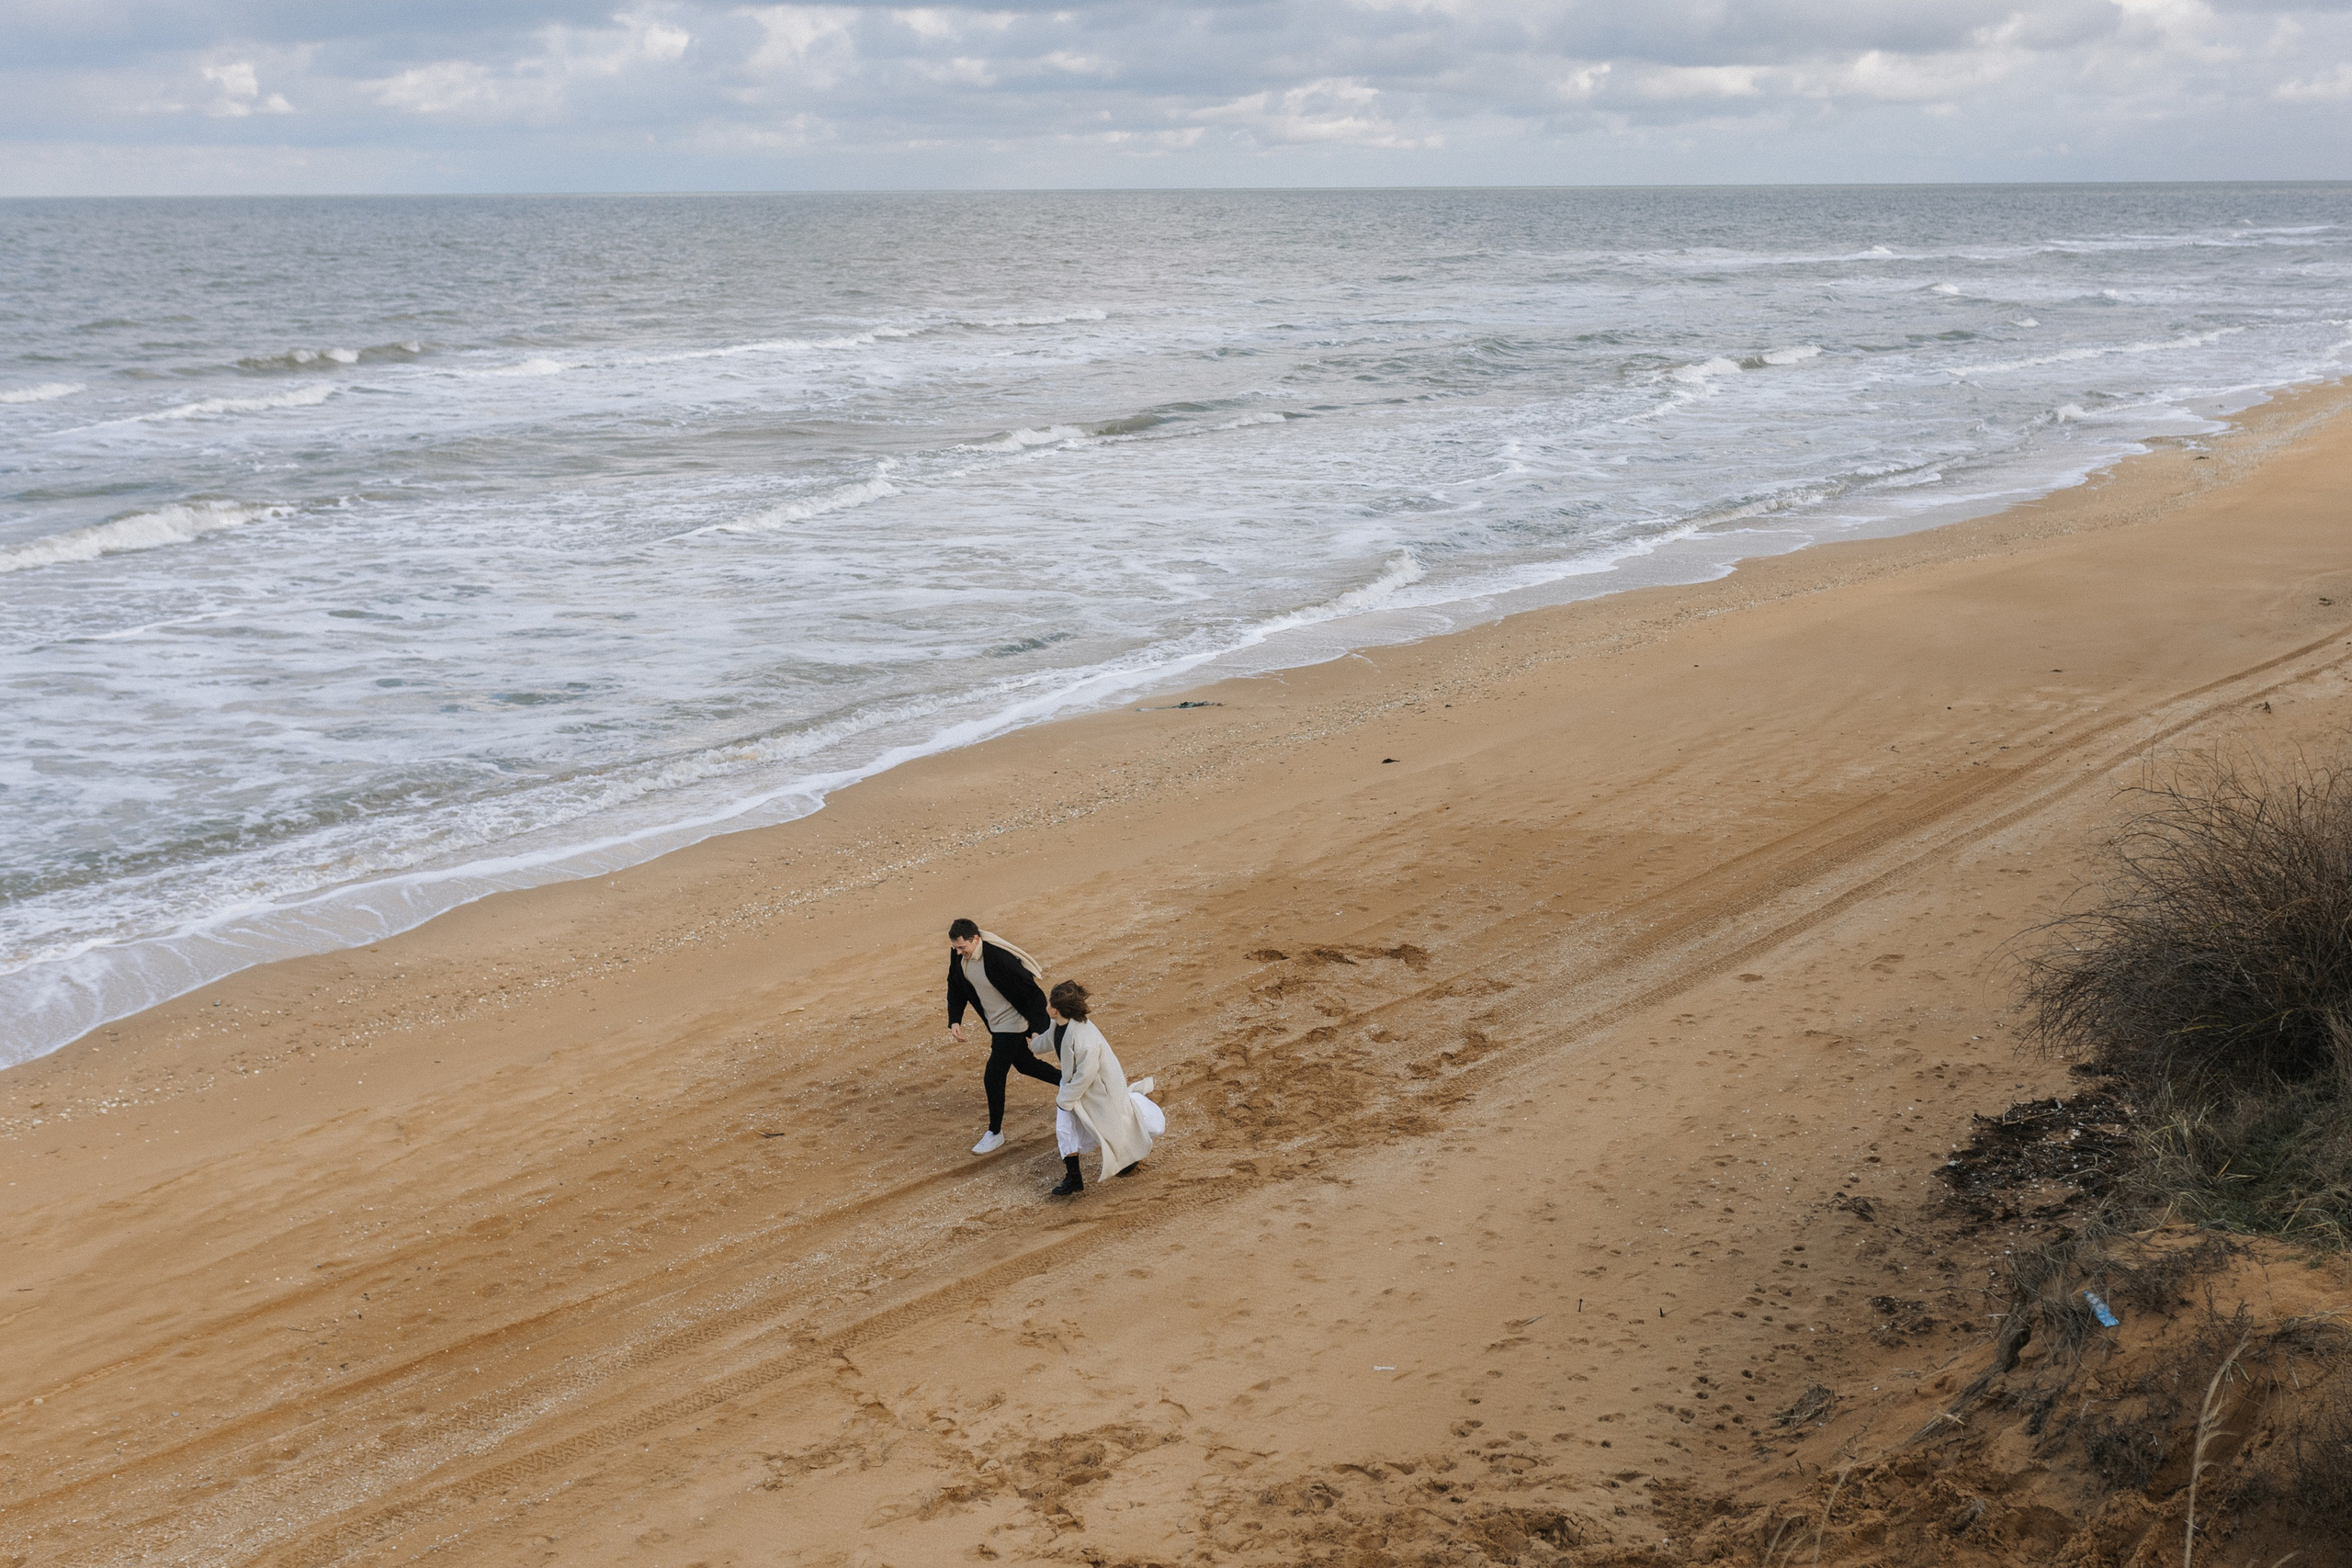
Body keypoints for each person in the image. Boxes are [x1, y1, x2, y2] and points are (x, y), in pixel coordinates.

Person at [946, 918, 1057, 1155]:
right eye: (955, 948)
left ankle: (995, 1133)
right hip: (995, 1023)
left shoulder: (999, 959)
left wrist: (1038, 1028)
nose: (959, 952)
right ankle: (1074, 1083)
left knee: (993, 1075)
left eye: (962, 947)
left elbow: (1033, 994)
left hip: (1012, 1022)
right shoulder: (959, 955)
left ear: (976, 939)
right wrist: (955, 1019)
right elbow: (955, 985)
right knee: (1026, 1065)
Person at [1045, 979, 1155, 1197]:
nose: (1046, 1005)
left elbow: (1085, 1076)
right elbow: (1052, 1037)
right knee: (1066, 1129)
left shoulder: (1084, 1040)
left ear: (1055, 1010)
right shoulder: (1061, 1021)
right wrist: (1034, 1044)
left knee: (1113, 1123)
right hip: (1075, 1086)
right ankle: (1074, 1177)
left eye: (1048, 1003)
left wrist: (1065, 1100)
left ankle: (1126, 1159)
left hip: (1094, 1091)